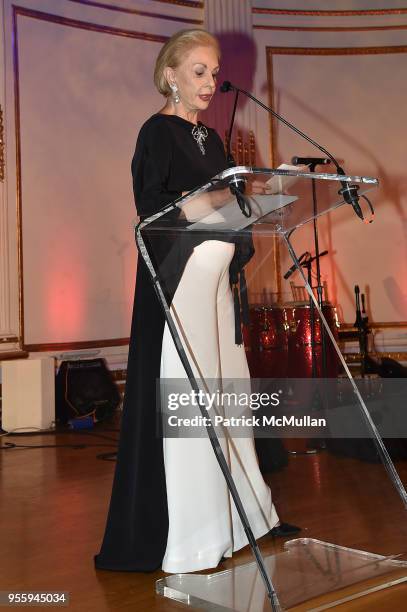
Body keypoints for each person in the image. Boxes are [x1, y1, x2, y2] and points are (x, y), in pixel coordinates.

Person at [94, 28, 299, 576]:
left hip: (216, 283)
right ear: (171, 76)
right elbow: (155, 208)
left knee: (227, 399)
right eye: (199, 72)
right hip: (180, 280)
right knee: (195, 402)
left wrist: (262, 196)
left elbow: (223, 206)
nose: (211, 82)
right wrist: (228, 196)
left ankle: (245, 521)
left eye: (214, 72)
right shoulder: (157, 132)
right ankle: (195, 535)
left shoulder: (211, 139)